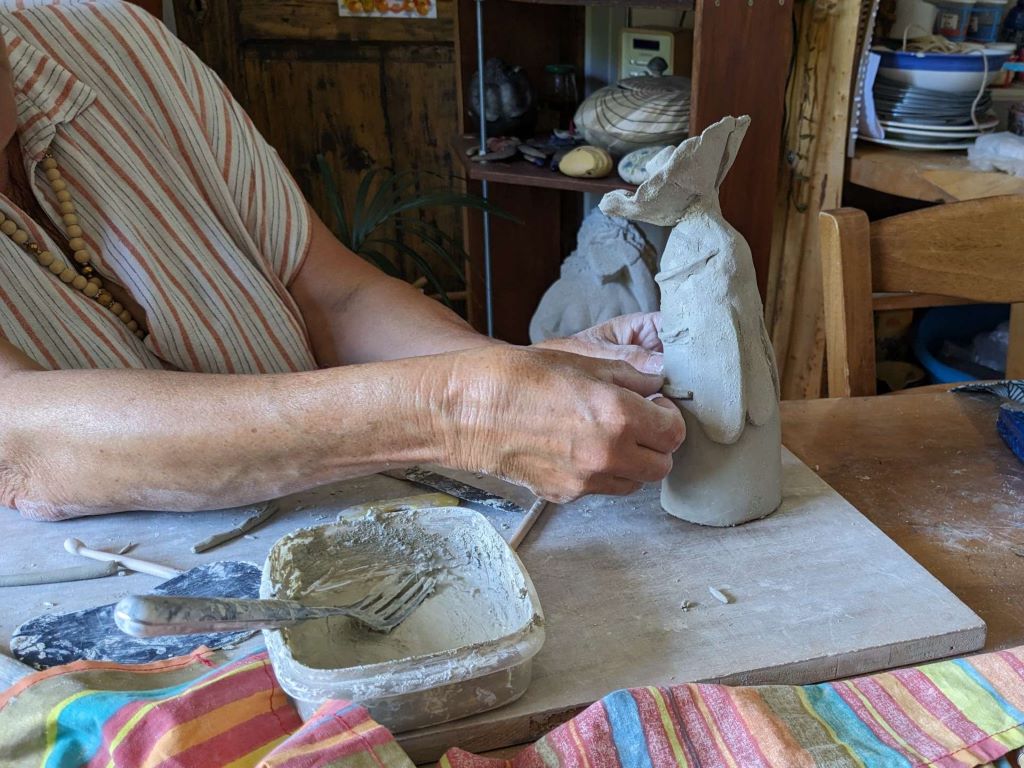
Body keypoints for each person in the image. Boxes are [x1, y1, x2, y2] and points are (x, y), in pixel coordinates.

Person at [0, 0, 684, 522]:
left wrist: (518, 379)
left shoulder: (118, 43)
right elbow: (26, 444)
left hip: (323, 515)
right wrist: (461, 407)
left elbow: (335, 297)